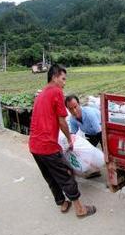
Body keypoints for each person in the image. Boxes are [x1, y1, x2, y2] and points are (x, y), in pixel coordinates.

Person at [28, 64, 96, 218]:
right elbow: (62, 121)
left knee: (50, 176)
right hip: (47, 146)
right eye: (63, 79)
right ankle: (80, 209)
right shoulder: (56, 92)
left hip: (34, 145)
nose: (64, 83)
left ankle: (63, 203)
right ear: (54, 77)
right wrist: (69, 139)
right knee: (66, 174)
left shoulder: (41, 94)